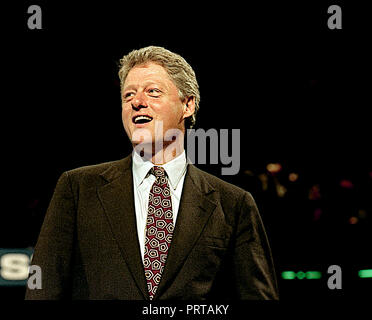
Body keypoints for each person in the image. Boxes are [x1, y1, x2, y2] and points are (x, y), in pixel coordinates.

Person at [25, 46, 279, 300]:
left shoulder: (233, 204)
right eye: (128, 95)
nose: (137, 102)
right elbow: (44, 290)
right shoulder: (78, 188)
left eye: (153, 92)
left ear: (187, 105)